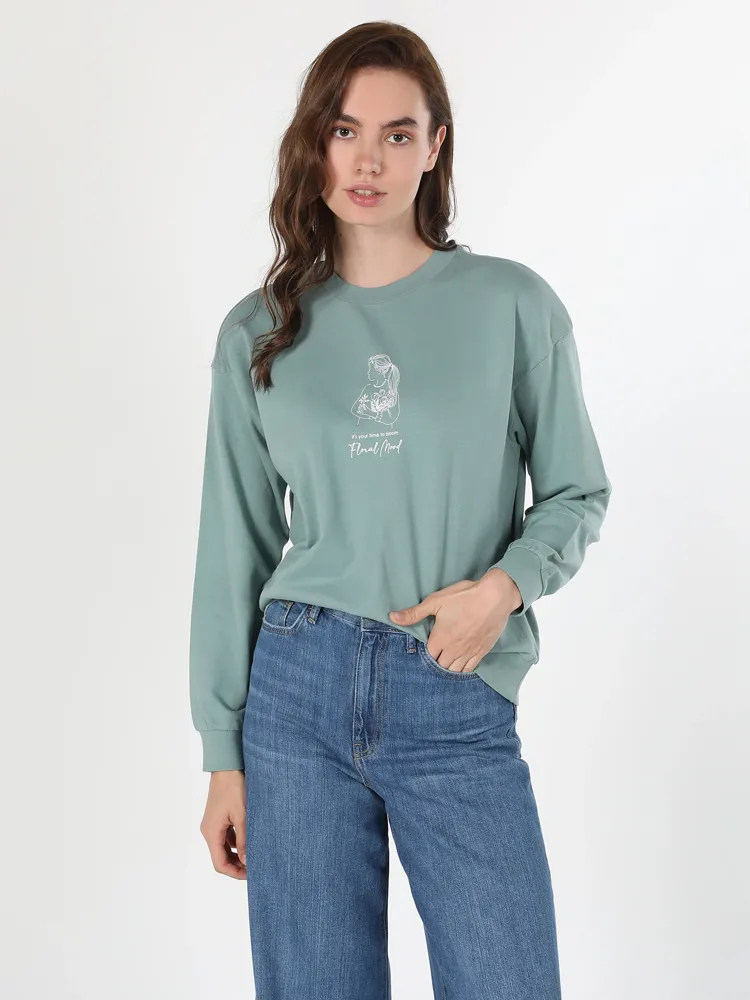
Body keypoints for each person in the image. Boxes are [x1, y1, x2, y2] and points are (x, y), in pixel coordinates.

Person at [188, 20, 612, 1000]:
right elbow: (232, 546)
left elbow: (577, 489)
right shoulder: (260, 331)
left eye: (396, 133)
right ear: (314, 143)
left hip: (454, 684)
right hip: (295, 692)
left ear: (435, 146)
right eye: (344, 131)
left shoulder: (511, 304)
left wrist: (501, 591)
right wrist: (221, 755)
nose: (368, 160)